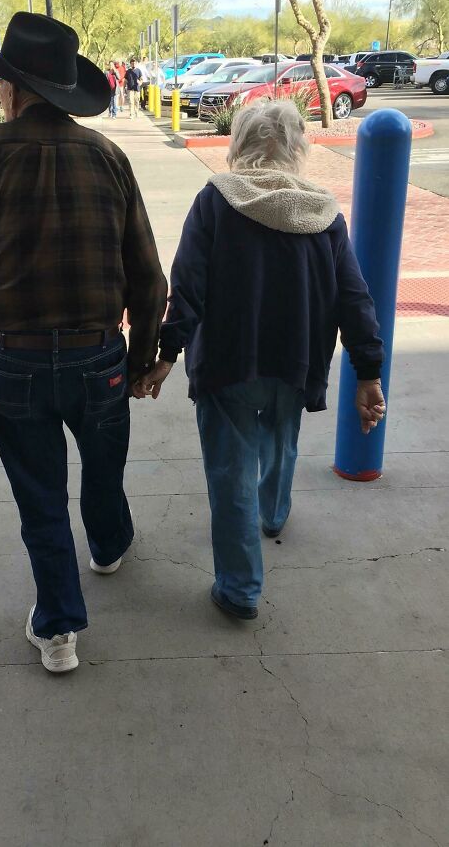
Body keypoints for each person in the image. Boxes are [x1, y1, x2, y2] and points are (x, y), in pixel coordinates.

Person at [0, 12, 167, 673]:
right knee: (104, 461)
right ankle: (109, 544)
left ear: (13, 88)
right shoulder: (107, 156)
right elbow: (148, 276)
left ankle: (60, 628)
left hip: (14, 361)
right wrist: (143, 358)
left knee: (39, 496)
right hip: (100, 357)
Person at [135, 100, 385, 621]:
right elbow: (354, 297)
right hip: (296, 363)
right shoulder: (323, 212)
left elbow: (188, 285)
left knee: (230, 474)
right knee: (280, 438)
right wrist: (369, 372)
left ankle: (240, 588)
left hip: (227, 364)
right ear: (298, 147)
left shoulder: (217, 200)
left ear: (239, 143)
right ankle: (273, 514)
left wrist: (167, 354)